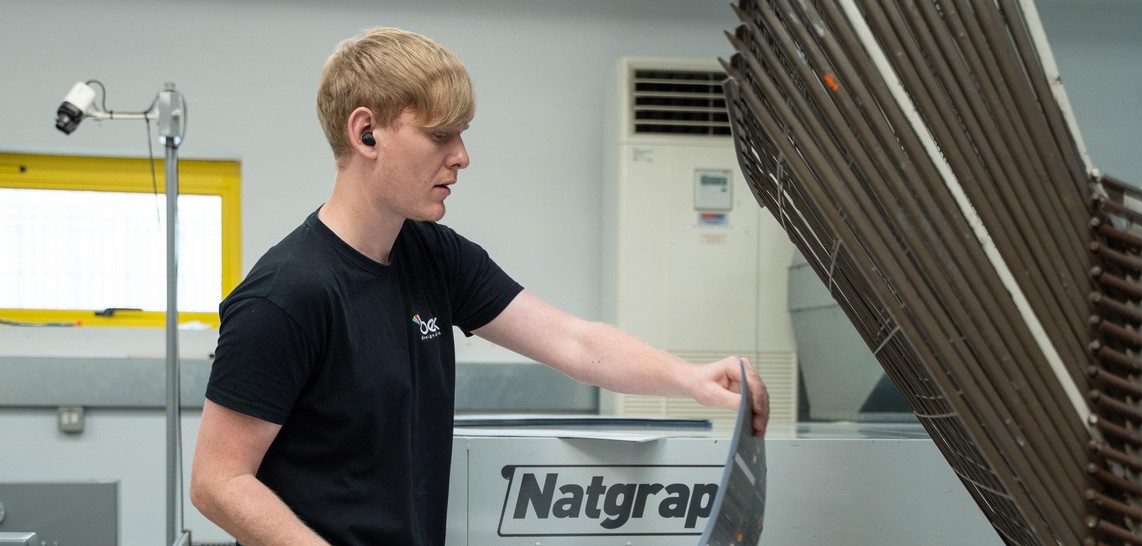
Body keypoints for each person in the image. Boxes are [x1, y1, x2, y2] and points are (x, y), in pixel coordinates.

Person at [189, 26, 769, 546]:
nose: (461, 157)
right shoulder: (286, 295)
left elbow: (574, 342)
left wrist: (690, 378)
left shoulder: (433, 255)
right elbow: (218, 482)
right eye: (440, 135)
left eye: (461, 135)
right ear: (366, 133)